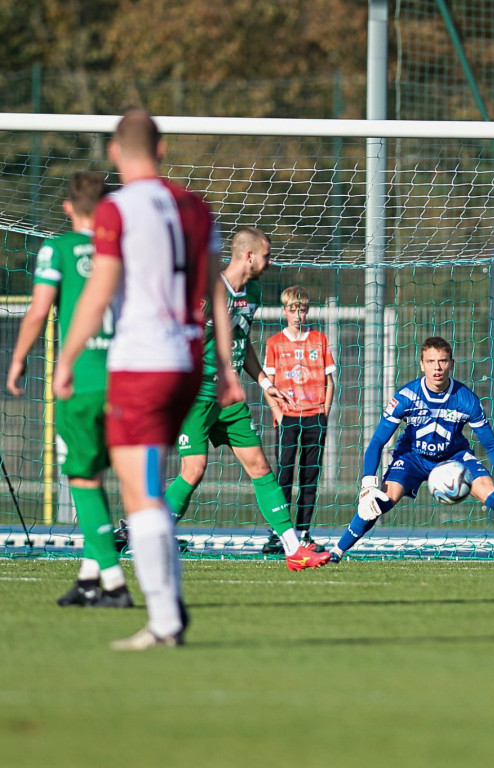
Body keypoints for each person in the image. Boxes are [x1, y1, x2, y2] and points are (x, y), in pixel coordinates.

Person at [53, 108, 241, 650]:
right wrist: (225, 366)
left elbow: (99, 289)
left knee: (141, 494)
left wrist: (66, 357)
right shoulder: (197, 208)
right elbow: (215, 295)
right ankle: (166, 613)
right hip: (187, 359)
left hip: (142, 362)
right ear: (161, 151)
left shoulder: (116, 209)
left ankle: (164, 621)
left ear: (115, 152)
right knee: (149, 487)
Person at [163, 229, 331, 571]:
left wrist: (264, 380)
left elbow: (242, 340)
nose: (270, 263)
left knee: (260, 466)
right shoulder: (207, 294)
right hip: (198, 396)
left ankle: (293, 548)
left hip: (230, 397)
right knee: (194, 471)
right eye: (266, 256)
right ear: (248, 256)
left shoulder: (252, 292)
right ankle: (150, 534)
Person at [6, 171, 133, 608]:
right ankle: (89, 578)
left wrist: (19, 359)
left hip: (80, 379)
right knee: (112, 477)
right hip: (127, 378)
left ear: (67, 207)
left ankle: (114, 582)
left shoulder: (57, 249)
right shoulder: (123, 251)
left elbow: (38, 311)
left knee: (81, 476)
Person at [331, 336, 494, 565]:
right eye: (430, 361)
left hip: (454, 457)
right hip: (412, 457)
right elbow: (377, 441)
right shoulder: (406, 397)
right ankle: (336, 552)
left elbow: (492, 445)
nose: (437, 367)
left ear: (452, 363)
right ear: (421, 364)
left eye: (443, 361)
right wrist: (368, 485)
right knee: (379, 502)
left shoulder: (467, 400)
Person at [262, 286, 335, 552]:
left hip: (315, 416)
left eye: (301, 309)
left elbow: (329, 381)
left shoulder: (319, 339)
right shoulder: (274, 343)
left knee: (310, 476)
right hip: (287, 418)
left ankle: (304, 532)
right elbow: (268, 383)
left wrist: (324, 412)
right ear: (284, 311)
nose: (297, 315)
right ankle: (278, 533)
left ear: (307, 310)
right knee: (283, 476)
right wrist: (278, 413)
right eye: (292, 310)